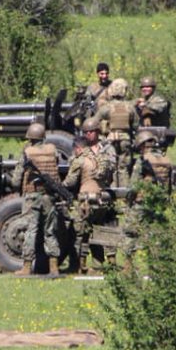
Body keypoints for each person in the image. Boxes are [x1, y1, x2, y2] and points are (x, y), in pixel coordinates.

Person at [8, 122, 63, 277]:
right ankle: (54, 268)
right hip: (50, 196)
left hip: (33, 196)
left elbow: (17, 180)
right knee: (50, 231)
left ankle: (26, 267)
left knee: (30, 230)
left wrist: (14, 184)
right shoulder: (53, 150)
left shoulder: (28, 152)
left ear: (30, 138)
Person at [63, 117, 116, 274]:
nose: (88, 135)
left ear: (98, 132)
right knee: (87, 231)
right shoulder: (81, 155)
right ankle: (87, 264)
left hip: (101, 195)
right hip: (88, 195)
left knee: (97, 231)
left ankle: (102, 263)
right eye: (86, 132)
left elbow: (112, 169)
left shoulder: (107, 150)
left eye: (91, 131)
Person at [123, 129, 174, 262]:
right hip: (159, 202)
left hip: (142, 201)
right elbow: (169, 184)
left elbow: (134, 186)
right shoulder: (165, 159)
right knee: (156, 232)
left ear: (142, 145)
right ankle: (156, 263)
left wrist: (128, 200)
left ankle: (128, 265)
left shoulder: (142, 161)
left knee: (131, 231)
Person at [94, 78, 139, 186]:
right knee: (124, 168)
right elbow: (136, 125)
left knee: (111, 167)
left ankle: (111, 193)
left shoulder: (107, 108)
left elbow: (95, 122)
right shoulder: (130, 108)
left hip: (110, 140)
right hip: (125, 141)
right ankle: (124, 195)